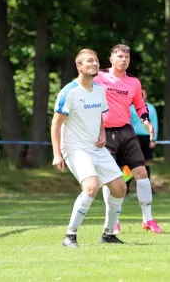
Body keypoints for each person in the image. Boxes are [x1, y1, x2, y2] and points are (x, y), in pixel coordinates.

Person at [51, 49, 127, 247]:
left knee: (120, 188)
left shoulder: (99, 90)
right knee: (91, 187)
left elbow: (100, 116)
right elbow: (56, 124)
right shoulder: (69, 91)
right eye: (89, 61)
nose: (94, 64)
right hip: (75, 148)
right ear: (79, 66)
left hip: (96, 147)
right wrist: (56, 155)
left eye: (96, 61)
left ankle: (108, 235)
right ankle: (70, 235)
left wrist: (102, 133)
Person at [94, 44, 163, 234]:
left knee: (142, 173)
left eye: (126, 57)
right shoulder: (98, 77)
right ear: (111, 59)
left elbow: (141, 106)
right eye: (120, 56)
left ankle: (148, 219)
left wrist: (147, 122)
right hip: (105, 133)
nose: (124, 60)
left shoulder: (134, 82)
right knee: (112, 178)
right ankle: (113, 222)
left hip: (127, 132)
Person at [129, 89, 159, 190]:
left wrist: (153, 139)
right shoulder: (131, 108)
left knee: (146, 162)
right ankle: (126, 186)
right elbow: (127, 123)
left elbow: (154, 123)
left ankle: (147, 187)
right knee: (131, 162)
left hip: (147, 137)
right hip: (134, 137)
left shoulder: (151, 108)